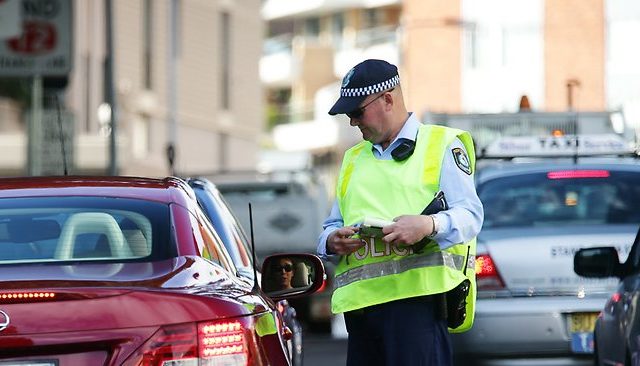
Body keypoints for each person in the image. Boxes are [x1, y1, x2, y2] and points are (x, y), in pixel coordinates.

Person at [317, 59, 483, 366]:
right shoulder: (353, 159)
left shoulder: (440, 145)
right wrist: (331, 241)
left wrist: (428, 225)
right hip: (362, 313)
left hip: (416, 310)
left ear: (388, 99)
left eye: (356, 112)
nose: (353, 122)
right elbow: (331, 224)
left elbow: (470, 215)